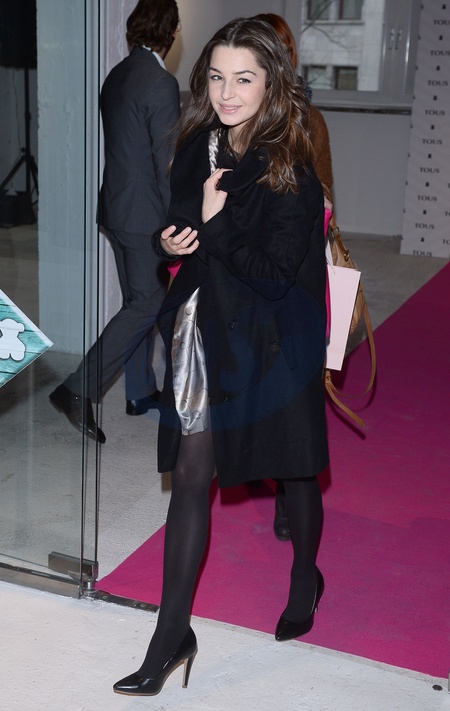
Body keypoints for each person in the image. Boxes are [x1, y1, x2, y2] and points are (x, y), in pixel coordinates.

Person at [113, 17, 329, 697]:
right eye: (216, 77)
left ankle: (305, 576)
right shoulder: (198, 143)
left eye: (244, 79)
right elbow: (177, 219)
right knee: (191, 471)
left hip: (273, 337)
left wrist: (214, 222)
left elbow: (272, 274)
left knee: (294, 468)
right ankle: (170, 633)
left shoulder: (291, 168)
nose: (227, 93)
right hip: (207, 329)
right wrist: (170, 239)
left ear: (272, 84)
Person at [49, 0, 181, 443]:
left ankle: (139, 391)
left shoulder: (118, 74)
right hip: (145, 217)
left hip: (118, 210)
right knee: (147, 303)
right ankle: (77, 388)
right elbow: (165, 164)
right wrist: (178, 223)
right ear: (173, 32)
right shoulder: (160, 82)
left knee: (139, 301)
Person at [254, 12, 334, 543]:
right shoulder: (236, 117)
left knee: (290, 393)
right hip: (249, 271)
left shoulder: (309, 120)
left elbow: (325, 200)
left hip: (292, 270)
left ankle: (287, 496)